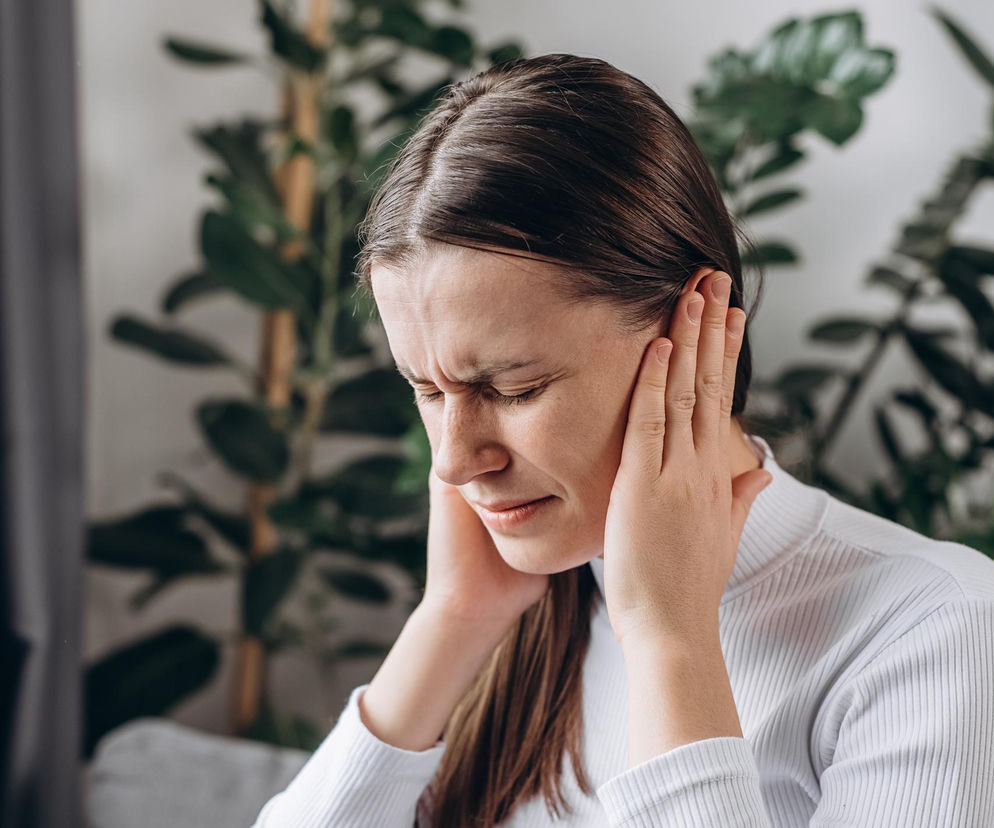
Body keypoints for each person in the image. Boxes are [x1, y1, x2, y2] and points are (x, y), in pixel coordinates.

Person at [250, 54, 994, 827]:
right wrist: (452, 619)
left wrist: (673, 644)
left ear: (692, 325)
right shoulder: (517, 614)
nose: (453, 460)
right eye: (429, 391)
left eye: (514, 387)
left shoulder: (937, 633)